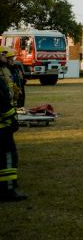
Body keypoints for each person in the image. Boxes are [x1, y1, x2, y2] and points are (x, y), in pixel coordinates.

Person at [0, 47, 26, 201]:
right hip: (2, 127)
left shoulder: (8, 71)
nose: (3, 56)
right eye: (2, 54)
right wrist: (12, 119)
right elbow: (1, 102)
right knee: (8, 158)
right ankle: (8, 190)